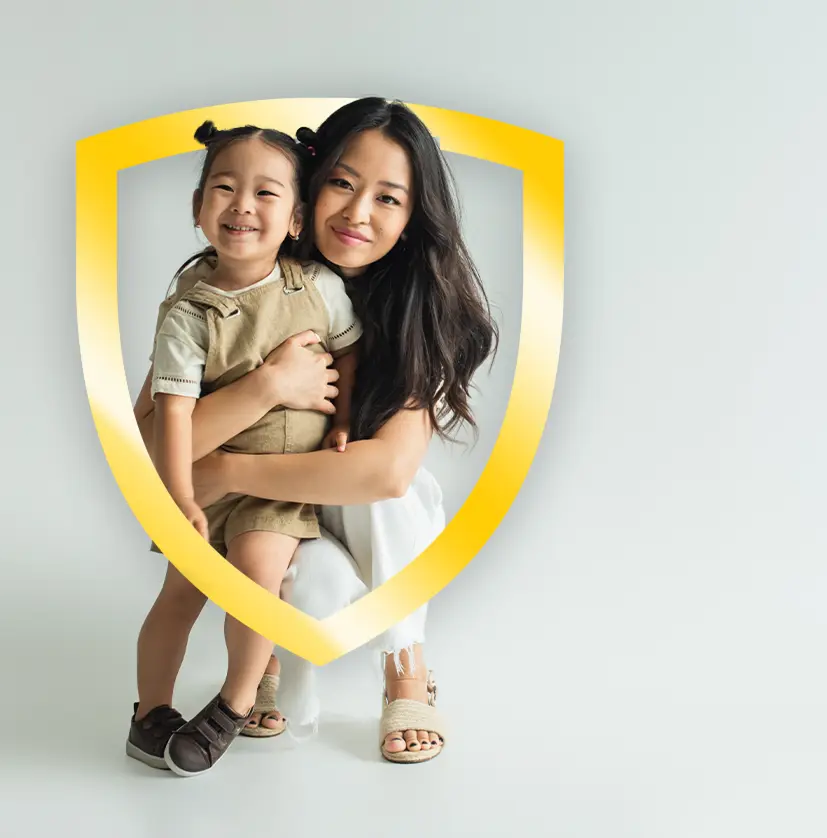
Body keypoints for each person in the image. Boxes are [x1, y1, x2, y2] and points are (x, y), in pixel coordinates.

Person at [136, 97, 500, 766]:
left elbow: (384, 474)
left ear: (414, 217)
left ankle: (408, 672)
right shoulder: (233, 278)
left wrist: (225, 472)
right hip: (267, 518)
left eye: (388, 198)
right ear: (309, 185)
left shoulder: (415, 314)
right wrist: (267, 387)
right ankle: (258, 665)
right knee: (290, 577)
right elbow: (152, 432)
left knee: (398, 497)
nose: (357, 213)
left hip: (343, 510)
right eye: (342, 182)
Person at [123, 120, 363, 778]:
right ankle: (149, 714)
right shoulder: (188, 313)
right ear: (199, 207)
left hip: (280, 484)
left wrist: (341, 422)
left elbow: (350, 349)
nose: (242, 206)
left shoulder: (317, 290)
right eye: (224, 189)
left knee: (257, 577)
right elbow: (173, 412)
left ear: (295, 218)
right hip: (203, 482)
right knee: (180, 593)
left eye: (265, 193)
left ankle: (232, 705)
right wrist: (179, 498)